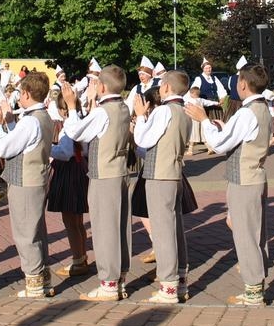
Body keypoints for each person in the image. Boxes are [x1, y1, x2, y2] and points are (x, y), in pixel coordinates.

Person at [188, 63, 273, 306]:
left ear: (243, 84)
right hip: (254, 175)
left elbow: (220, 144)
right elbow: (237, 137)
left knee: (246, 234)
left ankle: (254, 290)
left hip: (244, 178)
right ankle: (256, 282)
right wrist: (221, 128)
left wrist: (204, 120)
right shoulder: (262, 108)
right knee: (252, 230)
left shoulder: (246, 113)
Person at [61, 66, 133, 301]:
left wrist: (72, 106)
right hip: (119, 172)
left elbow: (75, 132)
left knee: (104, 229)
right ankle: (119, 279)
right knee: (119, 227)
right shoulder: (122, 106)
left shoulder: (103, 111)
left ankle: (109, 284)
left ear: (101, 87)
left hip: (104, 175)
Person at [0, 71, 55, 298]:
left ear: (25, 93)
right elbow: (24, 142)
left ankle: (34, 283)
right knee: (36, 229)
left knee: (26, 231)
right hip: (36, 177)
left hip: (26, 180)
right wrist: (11, 122)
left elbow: (4, 149)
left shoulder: (31, 121)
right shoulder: (41, 116)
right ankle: (42, 278)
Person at [132, 70, 192, 304]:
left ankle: (168, 285)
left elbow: (144, 140)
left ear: (166, 87)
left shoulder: (164, 110)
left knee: (163, 230)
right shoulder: (183, 111)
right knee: (174, 227)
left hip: (160, 175)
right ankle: (180, 279)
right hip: (174, 173)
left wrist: (141, 117)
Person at [46, 91, 91, 281]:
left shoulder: (68, 128)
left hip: (69, 171)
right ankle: (81, 257)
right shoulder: (83, 123)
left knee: (70, 220)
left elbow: (65, 152)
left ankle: (77, 259)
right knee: (78, 220)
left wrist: (47, 147)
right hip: (80, 169)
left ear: (62, 110)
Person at [224, 56, 248, 121]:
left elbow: (229, 88)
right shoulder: (246, 78)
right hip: (241, 103)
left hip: (232, 103)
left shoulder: (231, 78)